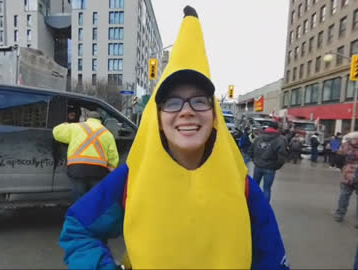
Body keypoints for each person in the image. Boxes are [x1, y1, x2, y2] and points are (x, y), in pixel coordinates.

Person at [58, 6, 289, 269]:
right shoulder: (131, 180)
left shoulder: (243, 187)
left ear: (214, 116)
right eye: (172, 102)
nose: (187, 111)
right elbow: (78, 228)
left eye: (199, 101)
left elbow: (273, 262)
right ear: (157, 116)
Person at [52, 110, 119, 198]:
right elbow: (113, 155)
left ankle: (79, 211)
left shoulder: (76, 127)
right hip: (98, 171)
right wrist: (112, 167)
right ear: (100, 120)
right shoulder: (107, 134)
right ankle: (92, 211)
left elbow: (56, 132)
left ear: (87, 118)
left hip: (77, 169)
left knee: (79, 198)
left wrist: (66, 123)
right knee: (94, 199)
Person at [249, 121, 288, 202]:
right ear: (277, 128)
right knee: (267, 189)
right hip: (270, 168)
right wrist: (276, 166)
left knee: (254, 187)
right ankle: (265, 208)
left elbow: (251, 150)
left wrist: (255, 160)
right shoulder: (280, 140)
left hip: (258, 166)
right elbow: (282, 156)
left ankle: (252, 203)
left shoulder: (258, 138)